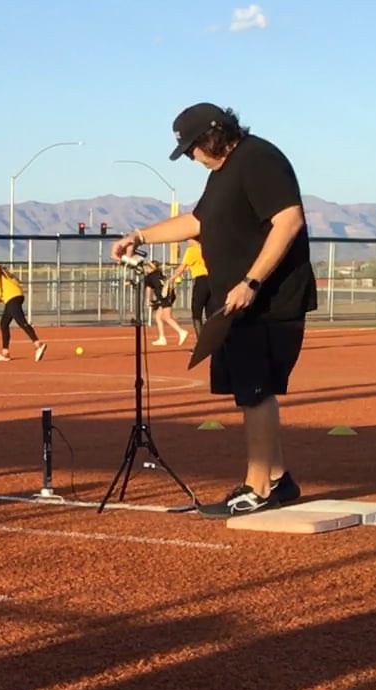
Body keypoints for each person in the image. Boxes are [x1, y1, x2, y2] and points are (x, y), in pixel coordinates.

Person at [113, 103, 316, 516]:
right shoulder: (223, 173)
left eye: (192, 148)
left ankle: (258, 489)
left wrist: (252, 281)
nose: (192, 157)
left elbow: (289, 220)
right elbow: (198, 222)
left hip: (265, 301)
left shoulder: (258, 158)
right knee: (250, 391)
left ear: (214, 136)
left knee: (256, 392)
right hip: (237, 303)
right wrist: (139, 235)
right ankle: (278, 479)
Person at [0, 251, 46, 363]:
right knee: (4, 324)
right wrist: (2, 295)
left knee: (21, 321)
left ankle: (38, 344)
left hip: (11, 297)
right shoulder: (0, 267)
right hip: (17, 294)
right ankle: (5, 353)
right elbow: (16, 279)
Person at [169, 239, 212, 331]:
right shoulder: (208, 247)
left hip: (201, 280)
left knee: (197, 313)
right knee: (211, 312)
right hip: (213, 281)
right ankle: (213, 336)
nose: (187, 242)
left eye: (188, 239)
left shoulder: (192, 250)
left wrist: (171, 279)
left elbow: (181, 268)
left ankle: (201, 338)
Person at [143, 260, 188, 346]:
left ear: (152, 268)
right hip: (168, 295)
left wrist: (148, 300)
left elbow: (149, 290)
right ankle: (162, 338)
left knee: (167, 317)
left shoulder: (149, 277)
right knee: (158, 317)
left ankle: (181, 331)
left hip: (165, 297)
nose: (147, 268)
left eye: (149, 266)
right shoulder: (160, 274)